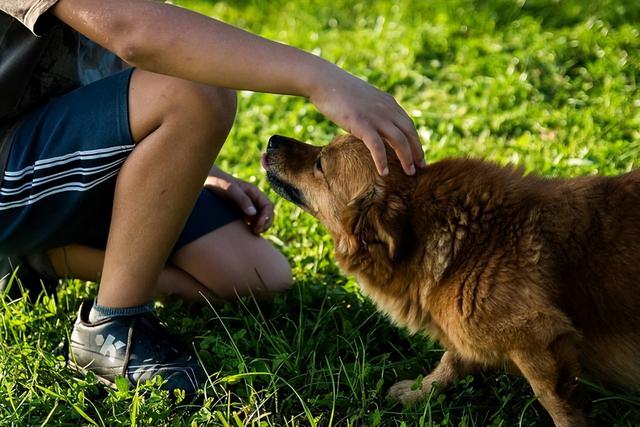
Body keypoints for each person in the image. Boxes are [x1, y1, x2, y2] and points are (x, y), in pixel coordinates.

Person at [0, 0, 425, 395]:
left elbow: (111, 65)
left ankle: (41, 258)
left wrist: (188, 163)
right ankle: (113, 327)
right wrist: (322, 80)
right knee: (197, 91)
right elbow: (134, 33)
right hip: (9, 164)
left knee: (255, 276)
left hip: (59, 155)